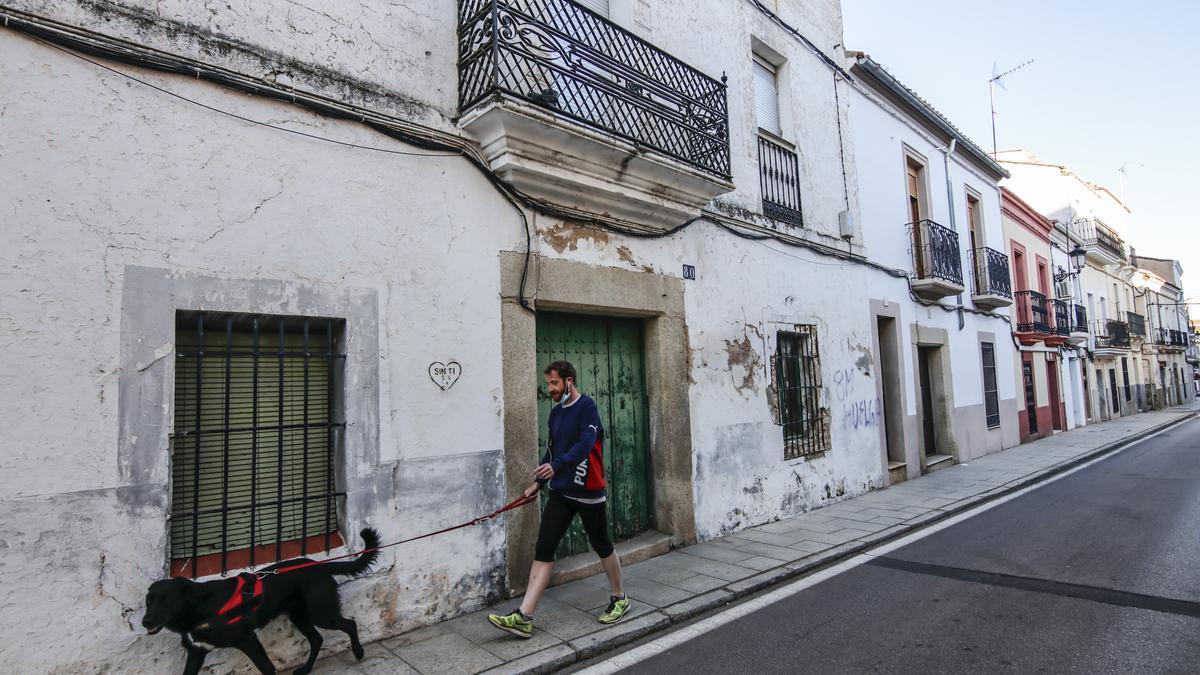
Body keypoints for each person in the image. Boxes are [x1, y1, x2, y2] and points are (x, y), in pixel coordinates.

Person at [487, 360, 630, 638]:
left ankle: (619, 597)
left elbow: (585, 445)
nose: (550, 388)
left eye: (554, 383)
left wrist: (558, 465)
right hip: (562, 492)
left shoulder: (586, 407)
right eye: (548, 383)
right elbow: (552, 454)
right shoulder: (554, 415)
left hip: (588, 491)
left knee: (602, 544)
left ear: (569, 381)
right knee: (544, 546)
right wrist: (538, 482)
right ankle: (524, 617)